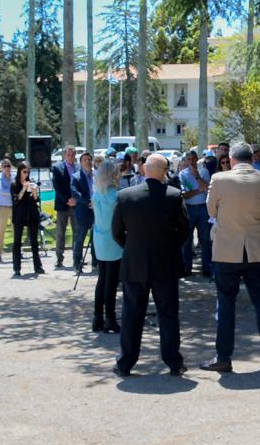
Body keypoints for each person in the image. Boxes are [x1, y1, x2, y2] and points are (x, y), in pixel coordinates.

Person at [110, 154, 190, 377]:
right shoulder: (174, 196)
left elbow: (116, 231)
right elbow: (184, 230)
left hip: (135, 263)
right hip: (165, 263)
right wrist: (169, 247)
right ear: (164, 172)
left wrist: (132, 248)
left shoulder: (125, 196)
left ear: (144, 169)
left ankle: (126, 363)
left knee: (132, 314)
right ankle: (174, 362)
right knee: (168, 314)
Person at [202, 143, 260, 372]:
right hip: (257, 250)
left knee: (226, 305)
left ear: (233, 159)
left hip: (228, 250)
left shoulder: (219, 179)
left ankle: (223, 356)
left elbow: (211, 211)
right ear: (251, 159)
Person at [92, 159, 123, 333]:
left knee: (102, 280)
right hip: (112, 241)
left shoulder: (97, 194)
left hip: (100, 238)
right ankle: (109, 318)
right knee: (110, 282)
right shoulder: (116, 196)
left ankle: (97, 317)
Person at [179, 148, 213, 278]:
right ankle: (186, 268)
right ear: (186, 160)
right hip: (189, 209)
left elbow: (208, 189)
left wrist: (197, 176)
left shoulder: (204, 172)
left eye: (194, 159)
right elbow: (185, 195)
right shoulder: (182, 174)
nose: (192, 161)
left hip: (203, 208)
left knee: (205, 240)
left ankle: (207, 268)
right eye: (189, 159)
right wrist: (199, 190)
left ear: (197, 159)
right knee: (187, 241)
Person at [11, 162, 44, 277]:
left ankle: (38, 266)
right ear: (19, 171)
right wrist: (23, 189)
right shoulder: (14, 184)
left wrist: (35, 193)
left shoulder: (32, 183)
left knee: (34, 241)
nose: (26, 174)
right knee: (17, 242)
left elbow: (36, 200)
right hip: (19, 215)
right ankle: (16, 268)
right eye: (24, 171)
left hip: (31, 214)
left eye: (28, 172)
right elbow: (16, 200)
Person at [51, 145, 77, 269]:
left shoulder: (78, 168)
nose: (70, 157)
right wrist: (68, 200)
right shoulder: (57, 168)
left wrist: (76, 200)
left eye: (72, 155)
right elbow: (57, 187)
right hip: (63, 205)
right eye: (68, 155)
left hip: (76, 205)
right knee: (61, 232)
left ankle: (76, 258)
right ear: (64, 155)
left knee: (77, 233)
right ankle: (59, 258)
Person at [70, 152, 96, 272]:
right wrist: (88, 202)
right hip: (83, 211)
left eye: (89, 159)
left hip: (97, 211)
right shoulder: (76, 177)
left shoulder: (97, 175)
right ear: (80, 163)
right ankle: (77, 262)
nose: (88, 162)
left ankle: (95, 262)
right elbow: (76, 193)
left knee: (96, 237)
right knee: (81, 237)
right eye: (85, 160)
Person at [0, 159, 13, 264]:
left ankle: (17, 252)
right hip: (2, 207)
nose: (7, 168)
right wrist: (14, 192)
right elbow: (2, 191)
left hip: (14, 207)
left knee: (16, 231)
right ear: (1, 167)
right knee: (1, 231)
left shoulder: (14, 177)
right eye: (4, 166)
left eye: (8, 166)